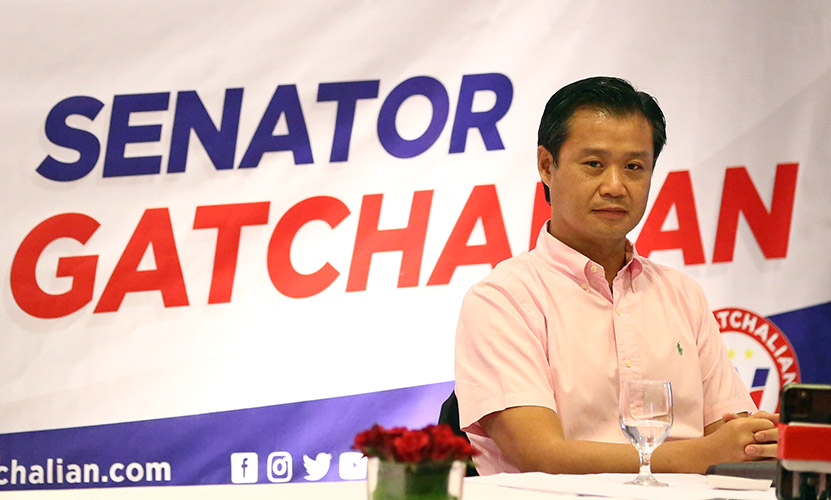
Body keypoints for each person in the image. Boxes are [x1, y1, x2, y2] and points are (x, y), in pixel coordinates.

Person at [454, 76, 779, 475]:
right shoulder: (503, 298)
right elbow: (541, 456)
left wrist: (754, 439)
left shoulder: (682, 294)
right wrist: (703, 455)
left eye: (633, 167)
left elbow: (731, 437)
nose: (615, 186)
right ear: (546, 166)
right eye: (594, 164)